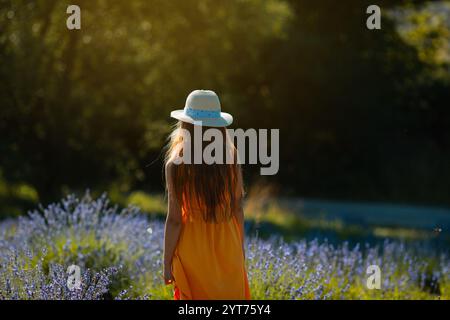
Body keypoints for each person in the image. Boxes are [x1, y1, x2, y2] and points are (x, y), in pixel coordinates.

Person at [163, 90, 251, 300]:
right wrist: (240, 249)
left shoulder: (176, 164)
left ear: (185, 125)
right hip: (227, 245)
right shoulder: (231, 158)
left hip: (192, 248)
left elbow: (175, 220)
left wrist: (166, 263)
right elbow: (237, 207)